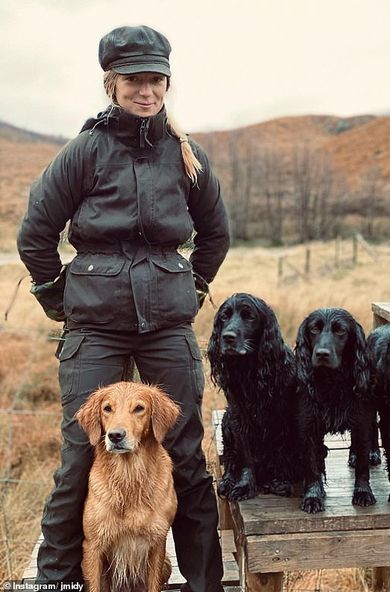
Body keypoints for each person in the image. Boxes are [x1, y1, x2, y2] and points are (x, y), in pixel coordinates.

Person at [17, 25, 230, 592]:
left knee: (185, 453)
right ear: (112, 84)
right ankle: (59, 582)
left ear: (167, 83)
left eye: (156, 80)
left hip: (167, 327)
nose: (147, 91)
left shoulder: (187, 156)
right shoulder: (85, 152)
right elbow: (35, 234)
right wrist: (59, 296)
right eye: (135, 80)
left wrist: (191, 284)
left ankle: (205, 583)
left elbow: (215, 234)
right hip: (95, 329)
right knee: (78, 455)